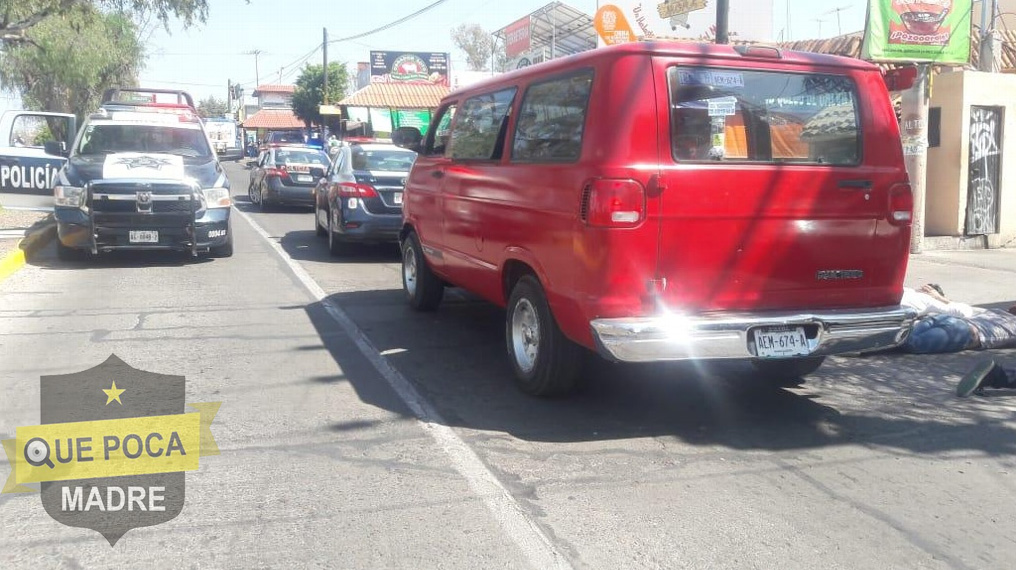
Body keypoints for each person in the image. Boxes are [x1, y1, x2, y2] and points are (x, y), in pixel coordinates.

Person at [902, 284, 1016, 354]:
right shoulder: (998, 312)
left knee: (906, 340)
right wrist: (940, 298)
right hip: (956, 325)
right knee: (907, 340)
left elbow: (964, 310)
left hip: (962, 330)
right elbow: (964, 309)